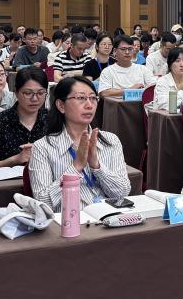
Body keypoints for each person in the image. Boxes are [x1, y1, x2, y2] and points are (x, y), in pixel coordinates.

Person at [28, 76, 131, 210]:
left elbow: (122, 193)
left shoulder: (110, 141)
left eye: (93, 98)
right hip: (69, 220)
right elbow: (42, 202)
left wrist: (96, 166)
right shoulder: (43, 147)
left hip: (107, 218)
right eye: (81, 98)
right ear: (61, 106)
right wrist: (76, 167)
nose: (89, 105)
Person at [0, 67, 49, 170]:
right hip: (8, 180)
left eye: (40, 93)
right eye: (28, 93)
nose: (34, 98)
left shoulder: (52, 120)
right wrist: (16, 159)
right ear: (16, 92)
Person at [150, 47, 183, 111]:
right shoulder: (162, 82)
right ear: (170, 65)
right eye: (177, 61)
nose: (182, 65)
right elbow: (166, 106)